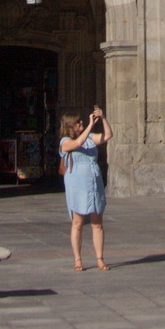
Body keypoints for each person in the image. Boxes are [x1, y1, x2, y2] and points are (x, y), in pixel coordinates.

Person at [60, 107, 108, 270]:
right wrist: (90, 125)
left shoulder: (89, 138)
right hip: (77, 185)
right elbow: (78, 143)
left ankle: (100, 259)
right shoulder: (65, 142)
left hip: (94, 183)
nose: (81, 123)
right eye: (78, 122)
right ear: (70, 125)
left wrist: (103, 119)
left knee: (97, 222)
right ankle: (78, 260)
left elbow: (107, 136)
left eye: (81, 121)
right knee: (78, 222)